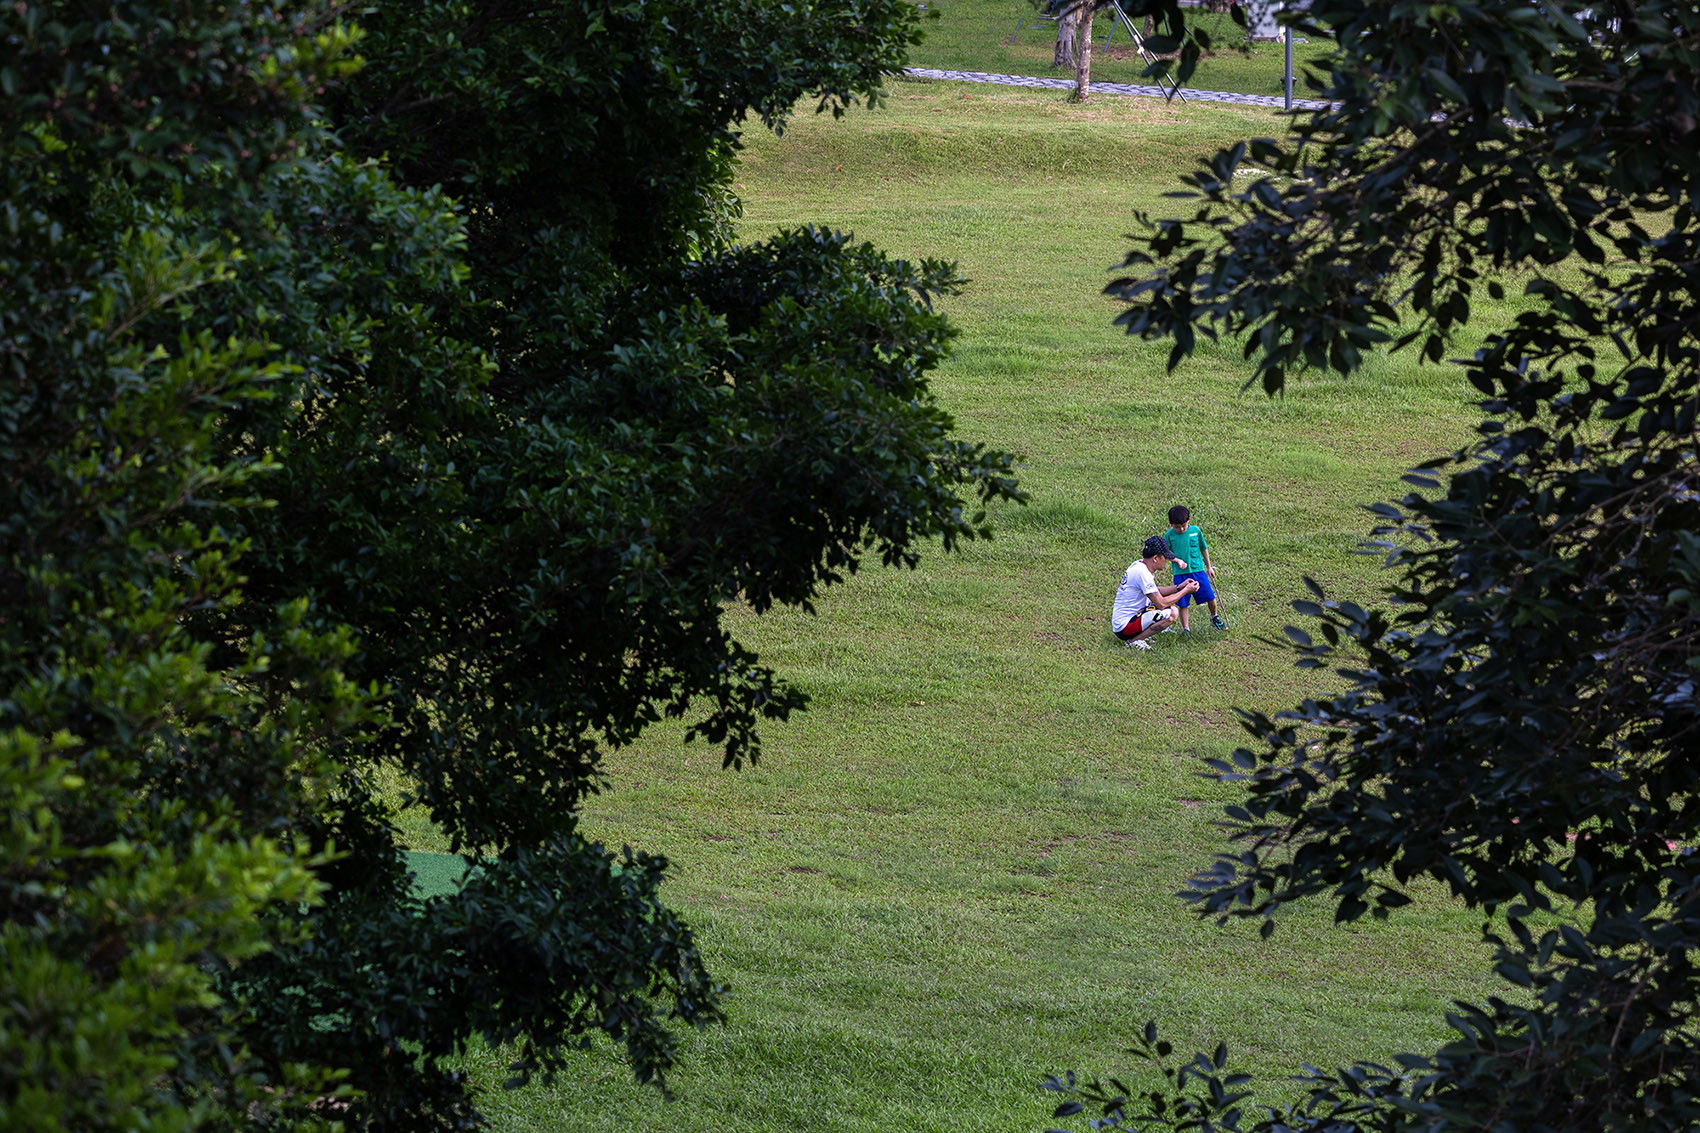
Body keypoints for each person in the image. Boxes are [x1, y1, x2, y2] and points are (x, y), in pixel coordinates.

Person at [1110, 536, 1200, 650]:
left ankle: (1139, 636)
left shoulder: (1140, 566)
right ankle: (1134, 641)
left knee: (1169, 602)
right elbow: (1161, 603)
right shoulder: (1142, 573)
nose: (1166, 561)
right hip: (1125, 626)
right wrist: (1186, 590)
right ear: (1156, 558)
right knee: (1172, 613)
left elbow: (1155, 591)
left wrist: (1179, 587)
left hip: (1127, 620)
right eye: (1165, 557)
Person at [1163, 504, 1225, 632]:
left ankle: (1214, 617)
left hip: (1198, 571)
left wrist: (1209, 567)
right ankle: (1186, 629)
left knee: (1210, 597)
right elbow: (1165, 553)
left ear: (1188, 521)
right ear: (1170, 524)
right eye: (1177, 527)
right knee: (1183, 603)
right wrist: (1177, 560)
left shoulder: (1196, 531)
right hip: (1180, 574)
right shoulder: (1169, 535)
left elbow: (1204, 548)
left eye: (1183, 526)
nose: (1180, 529)